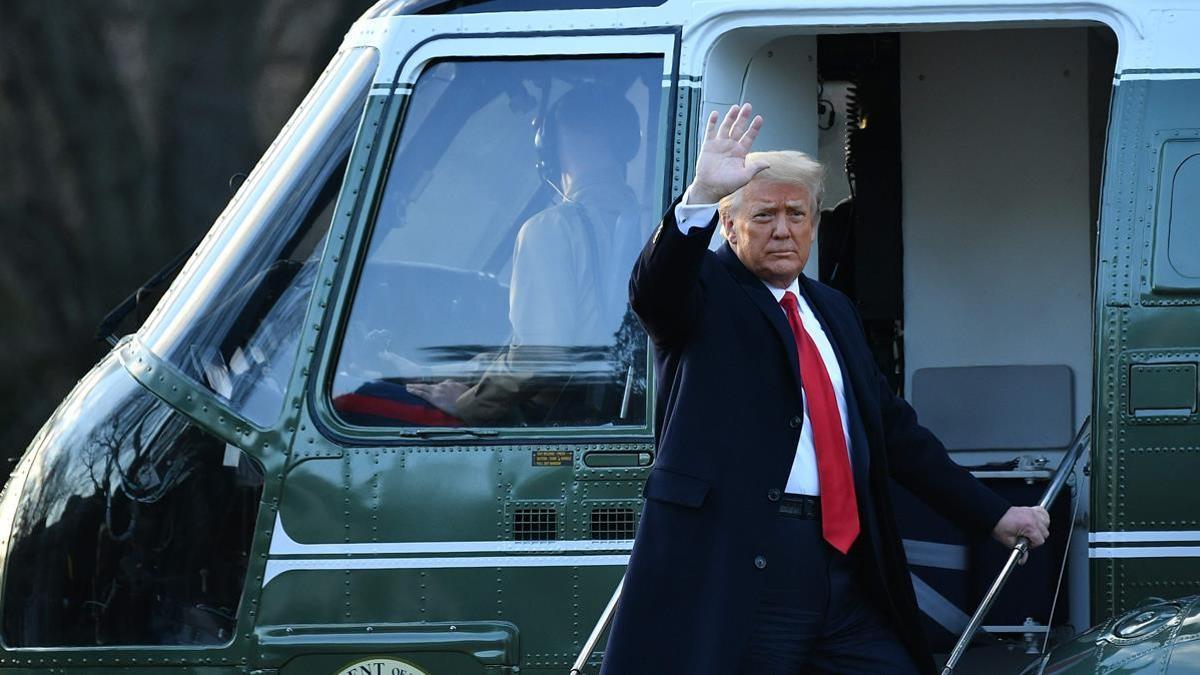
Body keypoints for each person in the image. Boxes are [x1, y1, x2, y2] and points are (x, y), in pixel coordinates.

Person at [599, 103, 1050, 674]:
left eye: (797, 213)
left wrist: (992, 514)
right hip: (748, 566)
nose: (784, 229)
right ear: (730, 226)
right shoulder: (705, 290)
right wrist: (702, 194)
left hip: (843, 567)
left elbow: (895, 432)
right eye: (764, 216)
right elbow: (654, 291)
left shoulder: (830, 308)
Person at [408, 85, 643, 425]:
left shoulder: (551, 229)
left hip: (556, 419)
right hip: (609, 409)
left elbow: (542, 356)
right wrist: (457, 371)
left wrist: (468, 403)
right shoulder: (645, 223)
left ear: (550, 145)